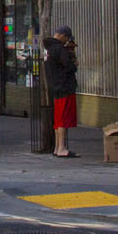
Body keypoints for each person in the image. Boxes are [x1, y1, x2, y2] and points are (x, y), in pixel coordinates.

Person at [45, 26, 79, 157]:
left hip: (55, 87)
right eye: (67, 38)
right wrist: (74, 62)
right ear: (63, 36)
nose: (67, 41)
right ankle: (61, 148)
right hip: (64, 87)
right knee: (63, 119)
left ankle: (57, 147)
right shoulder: (60, 49)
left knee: (58, 119)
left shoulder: (49, 49)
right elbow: (70, 66)